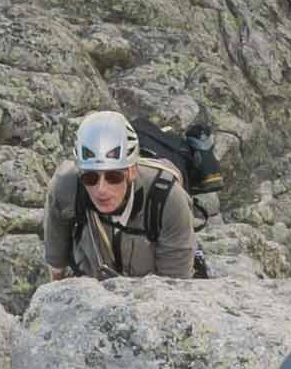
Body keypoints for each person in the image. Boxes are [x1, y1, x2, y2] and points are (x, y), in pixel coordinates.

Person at [46, 105, 197, 282]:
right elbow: (56, 262)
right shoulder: (66, 187)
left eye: (113, 177)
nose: (101, 189)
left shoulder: (168, 200)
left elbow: (176, 284)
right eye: (90, 178)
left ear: (132, 171)